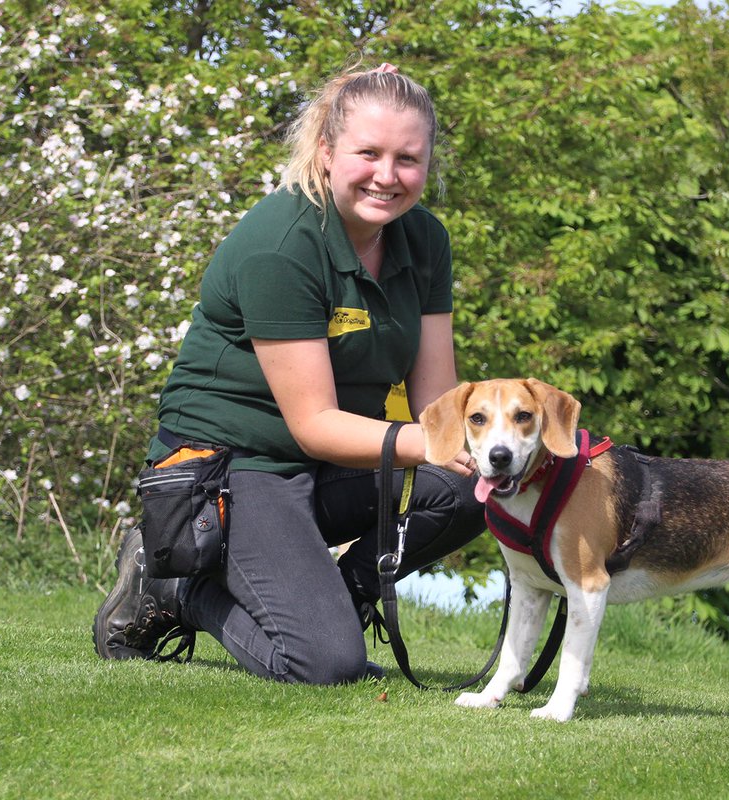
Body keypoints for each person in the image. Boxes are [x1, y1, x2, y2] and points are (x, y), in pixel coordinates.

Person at [93, 62, 486, 684]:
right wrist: (435, 442)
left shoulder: (426, 241)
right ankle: (174, 589)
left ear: (428, 163)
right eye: (369, 153)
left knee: (479, 487)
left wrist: (505, 444)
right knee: (324, 665)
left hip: (327, 465)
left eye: (408, 159)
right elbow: (314, 425)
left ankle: (337, 599)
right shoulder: (282, 244)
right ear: (328, 151)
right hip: (235, 468)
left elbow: (437, 403)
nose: (388, 176)